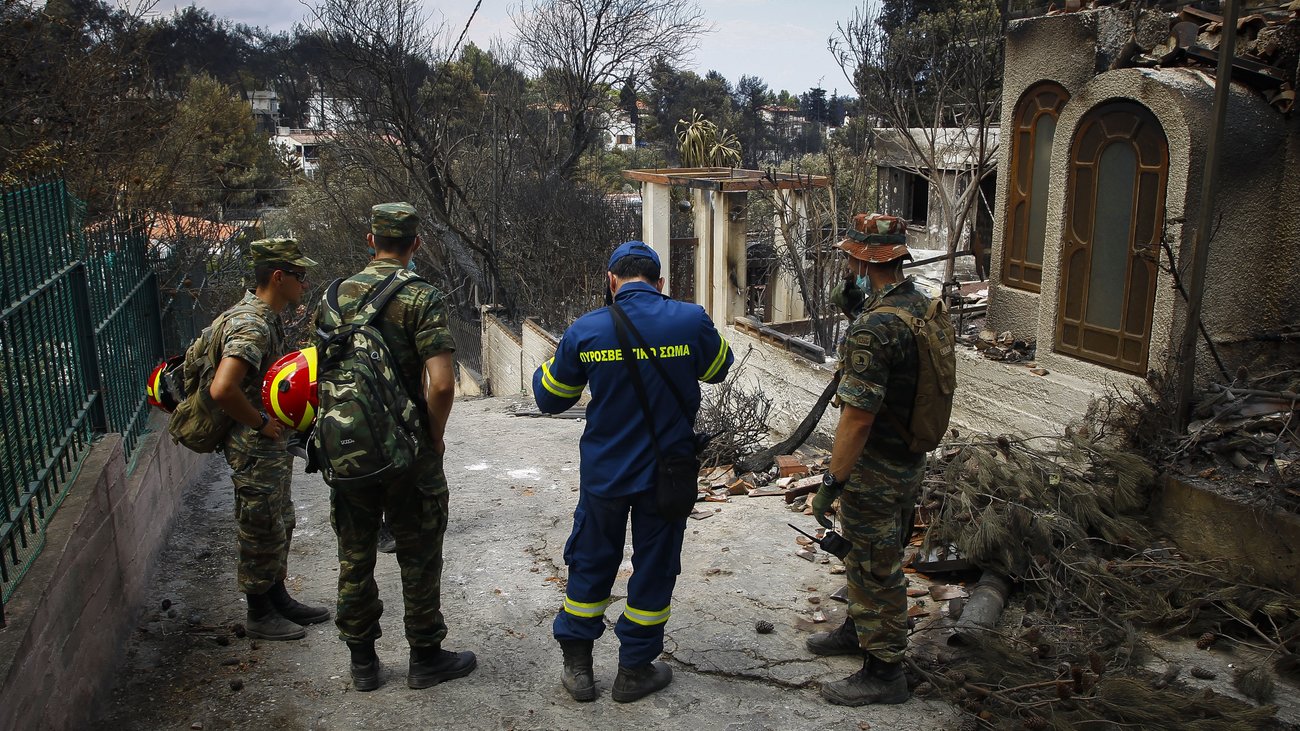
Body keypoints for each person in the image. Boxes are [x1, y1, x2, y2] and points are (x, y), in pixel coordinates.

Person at [532, 241, 734, 703]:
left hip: (605, 475)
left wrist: (552, 365)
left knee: (591, 561)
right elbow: (719, 368)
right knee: (656, 567)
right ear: (660, 283)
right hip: (668, 475)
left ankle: (579, 668)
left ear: (611, 281)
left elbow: (549, 398)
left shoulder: (587, 330)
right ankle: (634, 671)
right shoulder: (690, 318)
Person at [315, 202, 475, 692]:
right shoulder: (421, 296)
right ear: (416, 245)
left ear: (370, 240)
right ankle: (425, 657)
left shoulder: (333, 295)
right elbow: (443, 385)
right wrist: (435, 436)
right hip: (409, 449)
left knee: (354, 553)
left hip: (349, 445)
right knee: (419, 552)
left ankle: (363, 662)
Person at [806, 213, 930, 706]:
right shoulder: (919, 306)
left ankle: (884, 673)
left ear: (863, 258)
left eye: (850, 256)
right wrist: (859, 309)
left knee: (876, 568)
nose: (846, 263)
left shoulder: (875, 329)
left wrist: (831, 482)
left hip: (876, 467)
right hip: (907, 458)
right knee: (871, 556)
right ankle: (859, 630)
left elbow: (856, 419)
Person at [208, 237, 330, 641]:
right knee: (260, 524)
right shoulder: (252, 323)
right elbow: (223, 389)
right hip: (253, 446)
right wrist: (261, 424)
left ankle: (277, 596)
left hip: (268, 445)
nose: (305, 285)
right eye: (300, 276)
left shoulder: (267, 316)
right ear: (278, 277)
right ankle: (259, 612)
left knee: (280, 520)